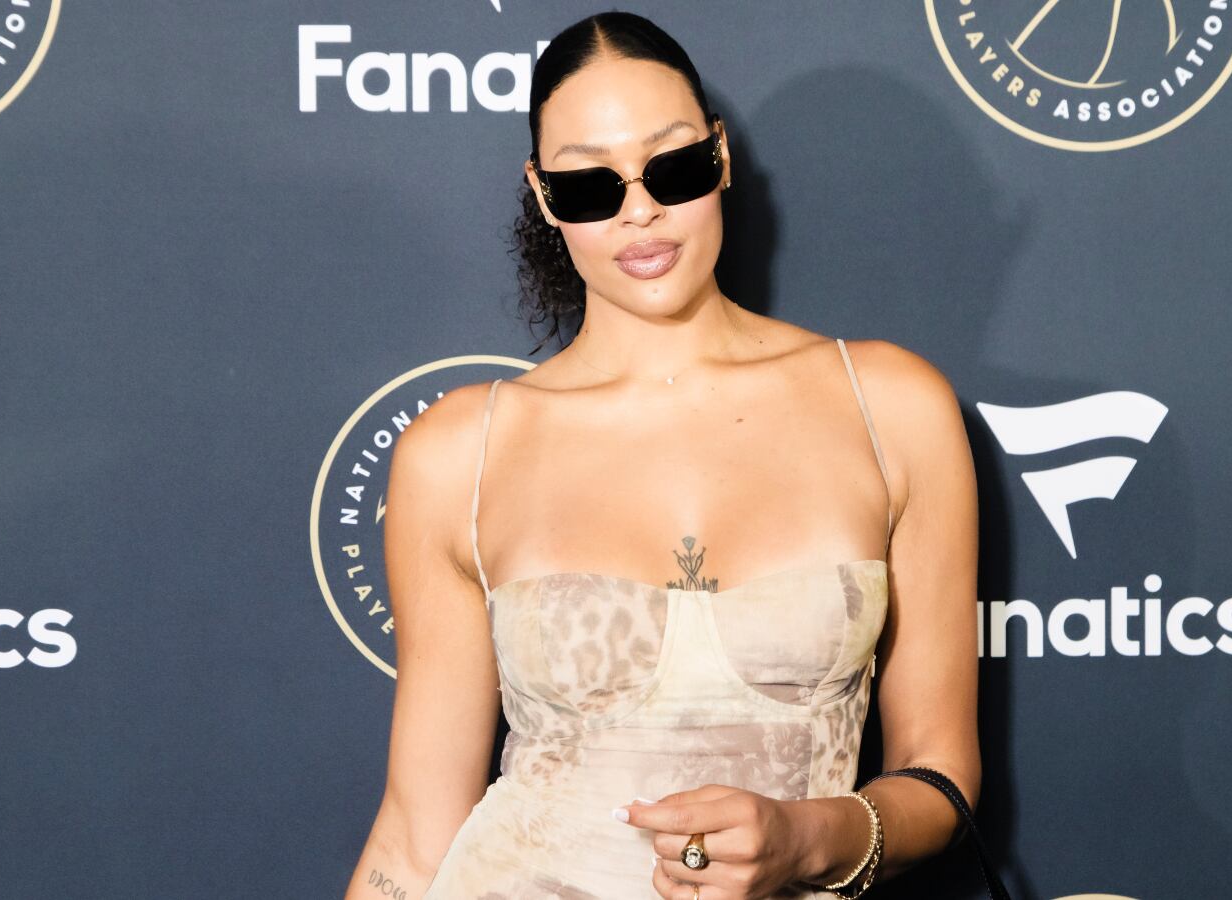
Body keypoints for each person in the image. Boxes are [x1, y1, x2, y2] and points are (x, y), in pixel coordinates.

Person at [345, 10, 980, 899]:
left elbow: (940, 775)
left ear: (719, 157)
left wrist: (807, 838)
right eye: (589, 186)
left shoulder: (891, 407)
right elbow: (417, 836)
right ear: (543, 196)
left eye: (672, 167)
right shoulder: (460, 453)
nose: (639, 209)